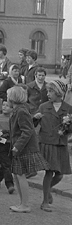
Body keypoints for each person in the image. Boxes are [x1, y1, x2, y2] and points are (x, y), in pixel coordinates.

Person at [7, 85, 47, 213]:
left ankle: (25, 204)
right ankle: (22, 203)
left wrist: (17, 147)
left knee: (20, 175)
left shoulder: (21, 111)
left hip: (23, 148)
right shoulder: (19, 110)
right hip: (20, 148)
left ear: (13, 98)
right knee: (17, 175)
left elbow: (27, 131)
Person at [33, 80, 72, 211]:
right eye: (48, 91)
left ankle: (47, 189)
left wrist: (68, 127)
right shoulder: (43, 106)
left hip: (61, 144)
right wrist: (35, 118)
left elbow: (70, 128)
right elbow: (33, 125)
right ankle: (45, 202)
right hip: (47, 143)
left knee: (60, 174)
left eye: (51, 91)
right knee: (49, 173)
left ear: (59, 93)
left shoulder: (68, 108)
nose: (48, 94)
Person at [0, 100, 15, 194]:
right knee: (6, 164)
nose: (4, 107)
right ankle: (10, 184)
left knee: (7, 164)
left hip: (11, 143)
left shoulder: (14, 118)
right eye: (3, 105)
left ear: (12, 108)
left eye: (7, 106)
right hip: (1, 143)